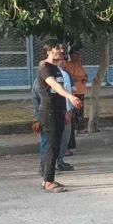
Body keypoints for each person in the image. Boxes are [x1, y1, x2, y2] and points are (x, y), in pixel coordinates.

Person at [38, 44, 82, 193]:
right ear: (48, 51)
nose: (62, 51)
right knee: (51, 146)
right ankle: (48, 181)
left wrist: (67, 109)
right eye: (58, 48)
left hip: (59, 111)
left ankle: (48, 179)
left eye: (62, 49)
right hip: (49, 111)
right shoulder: (44, 67)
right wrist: (71, 97)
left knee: (56, 146)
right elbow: (55, 85)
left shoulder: (57, 68)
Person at [56, 57, 75, 170]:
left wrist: (70, 109)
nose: (63, 61)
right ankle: (56, 161)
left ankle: (60, 159)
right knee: (59, 137)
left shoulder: (66, 74)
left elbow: (70, 92)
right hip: (59, 110)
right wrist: (65, 111)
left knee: (65, 137)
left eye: (64, 59)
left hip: (67, 108)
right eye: (60, 59)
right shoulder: (52, 74)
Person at [66, 48, 88, 135]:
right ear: (71, 55)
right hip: (74, 92)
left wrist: (85, 78)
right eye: (76, 54)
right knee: (74, 111)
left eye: (79, 54)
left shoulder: (80, 65)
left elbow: (85, 75)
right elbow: (71, 77)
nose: (79, 56)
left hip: (81, 91)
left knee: (80, 111)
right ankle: (75, 128)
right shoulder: (68, 65)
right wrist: (82, 78)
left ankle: (80, 127)